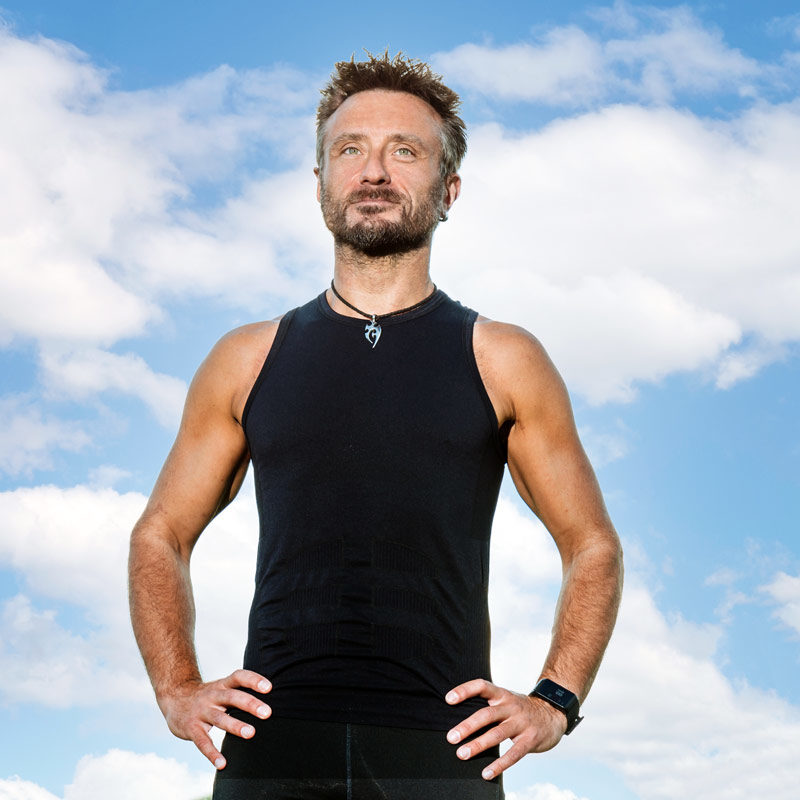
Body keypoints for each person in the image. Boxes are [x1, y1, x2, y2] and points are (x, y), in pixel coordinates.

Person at [128, 52, 623, 800]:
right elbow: (158, 534)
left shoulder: (503, 358)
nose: (374, 171)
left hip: (444, 747)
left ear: (448, 189)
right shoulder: (247, 358)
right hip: (273, 746)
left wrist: (555, 701)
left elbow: (592, 545)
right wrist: (176, 687)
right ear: (322, 180)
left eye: (405, 151)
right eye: (350, 149)